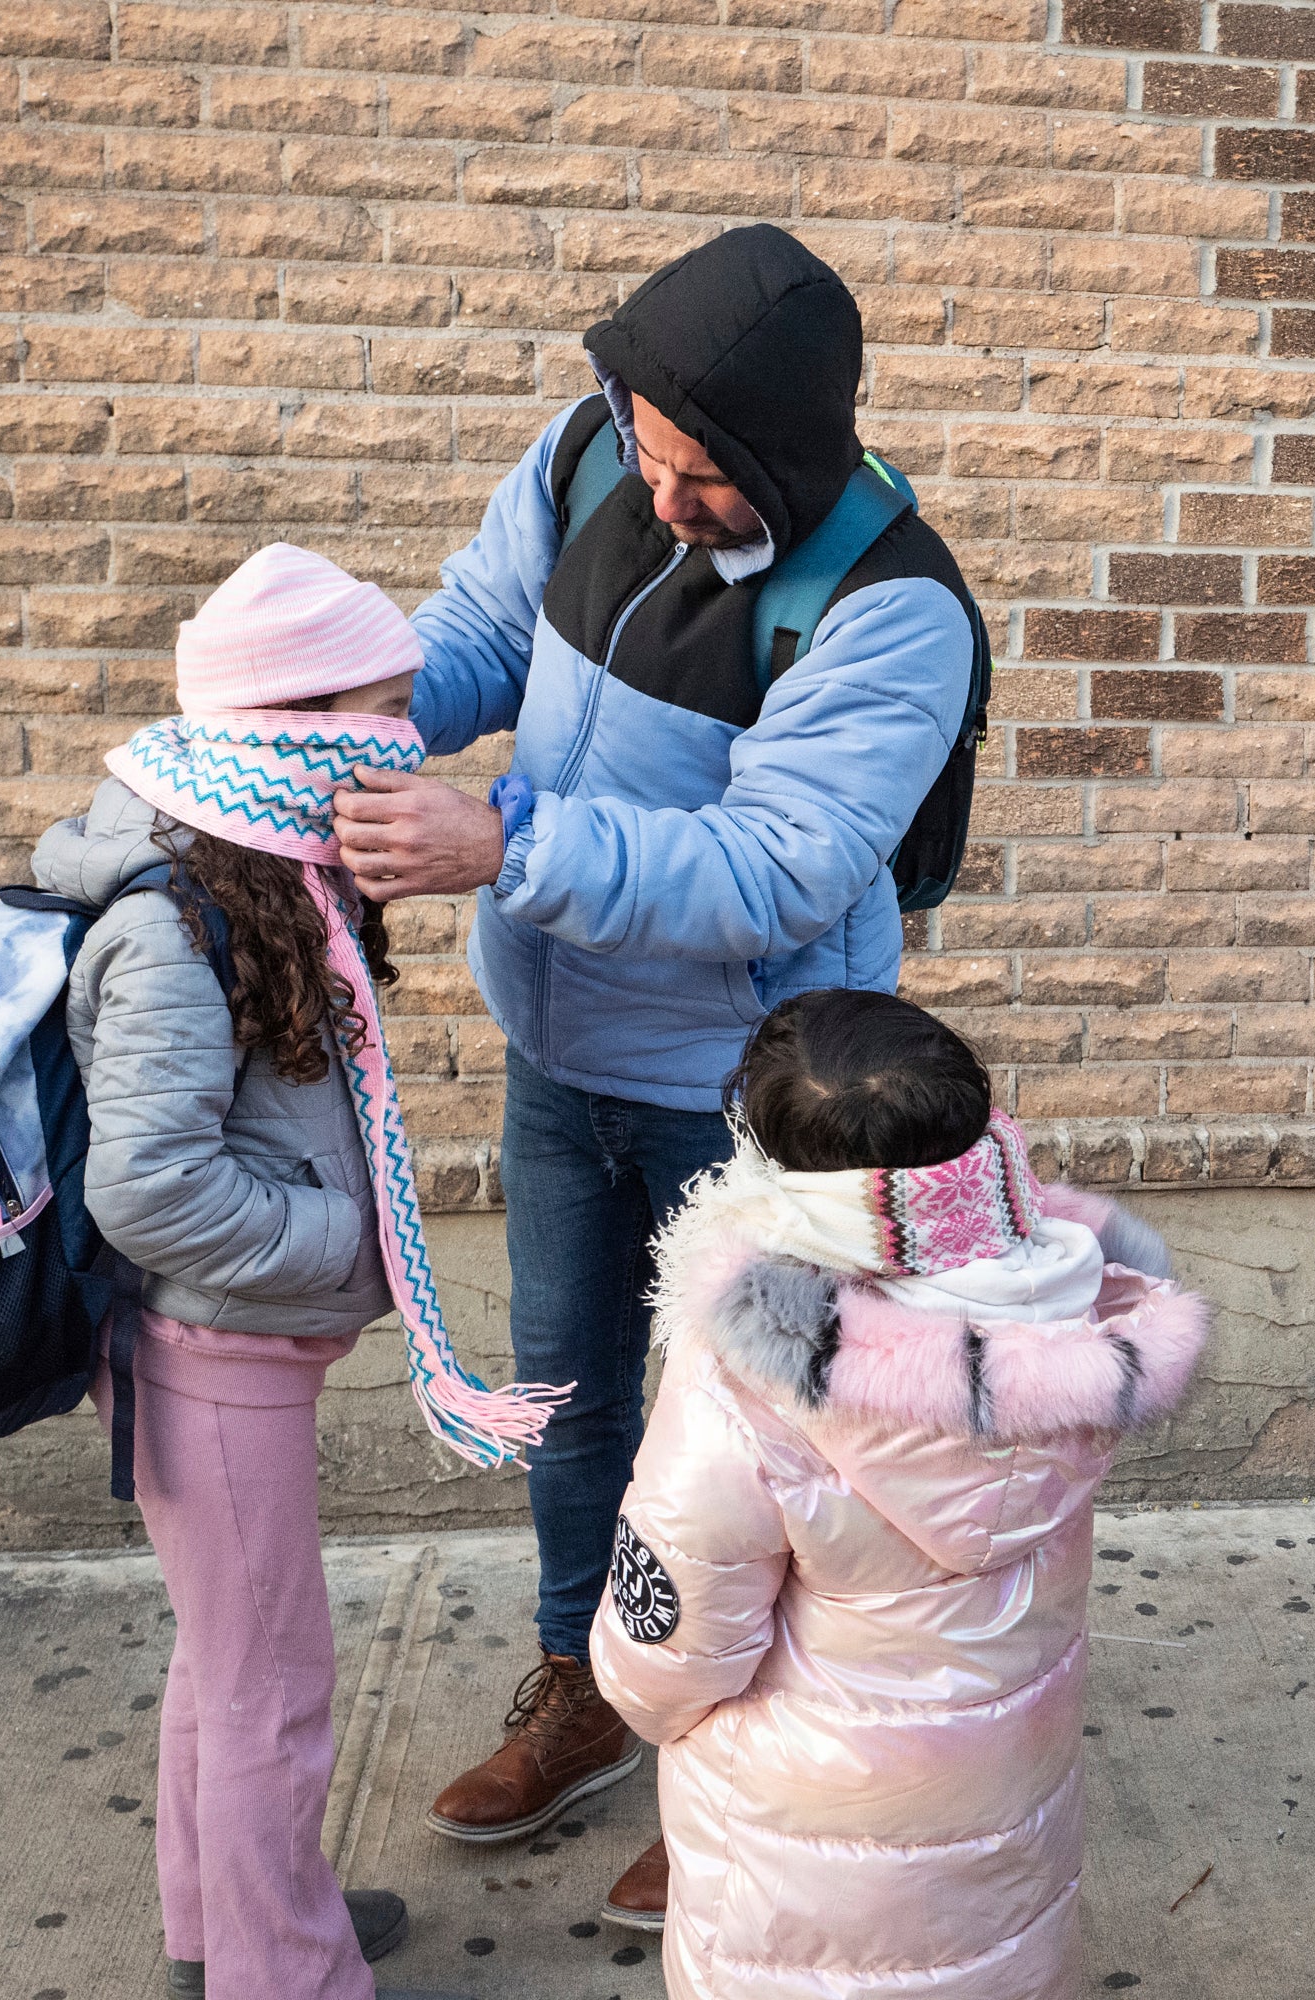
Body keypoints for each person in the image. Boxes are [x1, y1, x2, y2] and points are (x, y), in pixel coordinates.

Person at [333, 223, 990, 1926]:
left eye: (699, 475)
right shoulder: (584, 453)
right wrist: (345, 739)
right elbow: (475, 637)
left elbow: (771, 867)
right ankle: (591, 1692)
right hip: (563, 1056)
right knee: (573, 1415)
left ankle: (729, 1757)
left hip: (748, 1101)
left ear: (781, 456)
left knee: (754, 1449)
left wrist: (502, 840)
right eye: (645, 446)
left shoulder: (892, 611)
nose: (659, 489)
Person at [42, 543, 559, 2000]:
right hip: (207, 1353)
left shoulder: (258, 874)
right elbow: (148, 1182)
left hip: (227, 1346)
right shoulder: (172, 921)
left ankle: (223, 1932)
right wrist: (350, 1239)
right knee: (275, 1689)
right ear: (293, 720)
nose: (405, 742)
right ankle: (289, 1974)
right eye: (383, 710)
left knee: (230, 1663)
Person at [585, 989, 1205, 1999]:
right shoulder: (1072, 1314)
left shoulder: (756, 1369)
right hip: (1003, 1813)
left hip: (796, 1859)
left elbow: (668, 1653)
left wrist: (631, 1678)